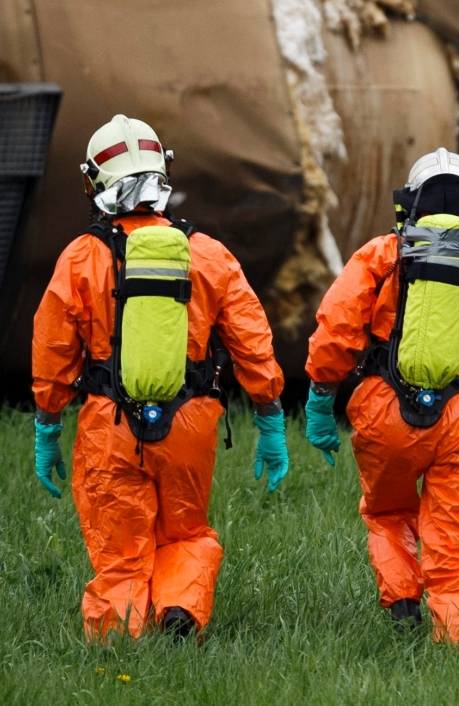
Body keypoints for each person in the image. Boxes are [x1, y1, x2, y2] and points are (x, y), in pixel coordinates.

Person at [31, 114, 288, 641]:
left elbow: (52, 348)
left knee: (120, 550)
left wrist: (47, 427)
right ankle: (181, 613)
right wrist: (270, 419)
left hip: (110, 424)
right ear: (161, 176)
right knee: (186, 531)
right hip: (190, 422)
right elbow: (252, 341)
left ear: (93, 183)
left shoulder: (81, 258)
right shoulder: (208, 254)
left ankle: (119, 645)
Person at [304, 147, 459, 642]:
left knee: (388, 513)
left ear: (409, 206)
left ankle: (404, 603)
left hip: (382, 413)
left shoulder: (380, 254)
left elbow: (335, 331)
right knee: (457, 534)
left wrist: (321, 400)